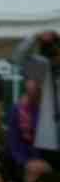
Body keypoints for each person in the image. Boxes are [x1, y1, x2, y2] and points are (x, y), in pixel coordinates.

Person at [13, 31, 60, 171]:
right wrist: (35, 37)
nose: (54, 55)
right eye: (49, 50)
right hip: (48, 138)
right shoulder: (40, 66)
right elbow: (17, 57)